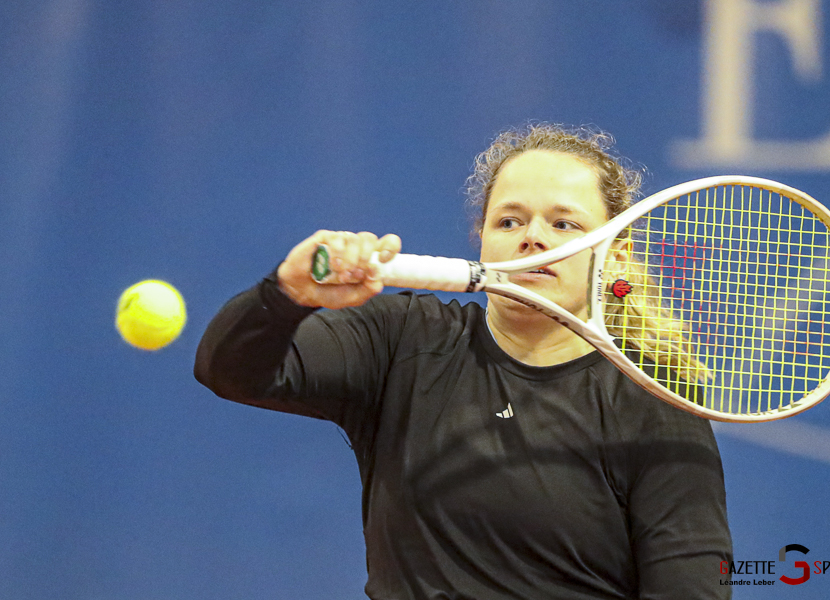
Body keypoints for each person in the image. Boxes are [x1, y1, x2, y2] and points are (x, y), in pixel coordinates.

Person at [194, 123, 733, 599]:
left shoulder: (654, 403)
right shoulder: (402, 339)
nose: (533, 239)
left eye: (564, 224)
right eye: (509, 221)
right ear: (482, 241)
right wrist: (287, 293)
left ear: (614, 252)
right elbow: (229, 370)